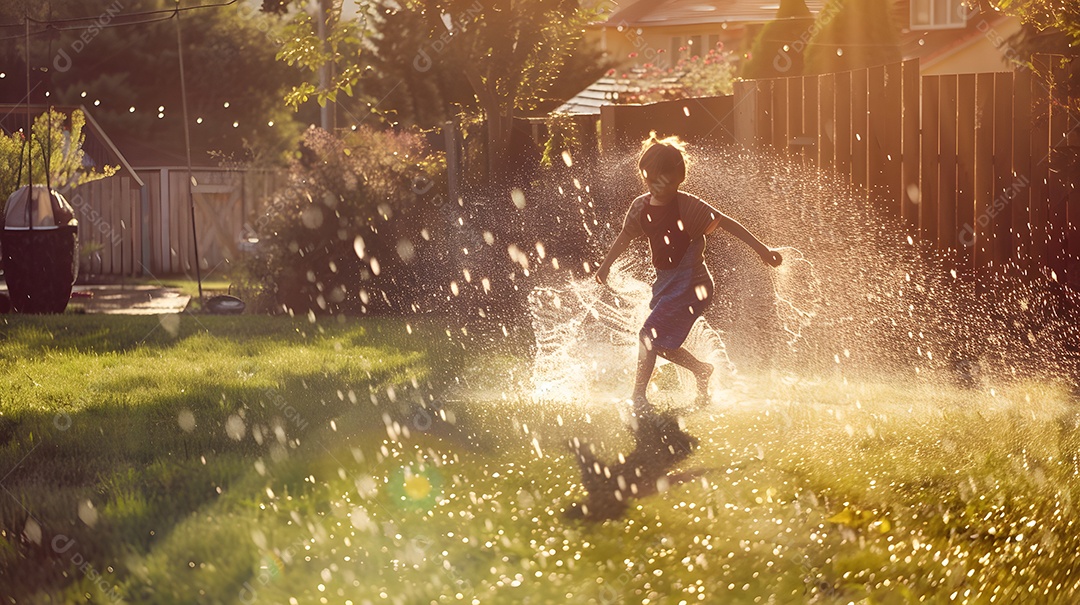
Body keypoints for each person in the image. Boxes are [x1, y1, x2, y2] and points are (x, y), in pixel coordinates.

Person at [594, 132, 783, 424]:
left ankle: (639, 397)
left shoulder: (688, 206)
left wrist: (762, 250)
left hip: (694, 285)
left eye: (669, 182)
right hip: (667, 285)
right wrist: (606, 265)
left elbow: (727, 224)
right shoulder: (641, 208)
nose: (661, 187)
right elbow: (625, 237)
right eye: (654, 181)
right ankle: (700, 370)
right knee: (661, 344)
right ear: (645, 178)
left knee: (648, 336)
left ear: (680, 178)